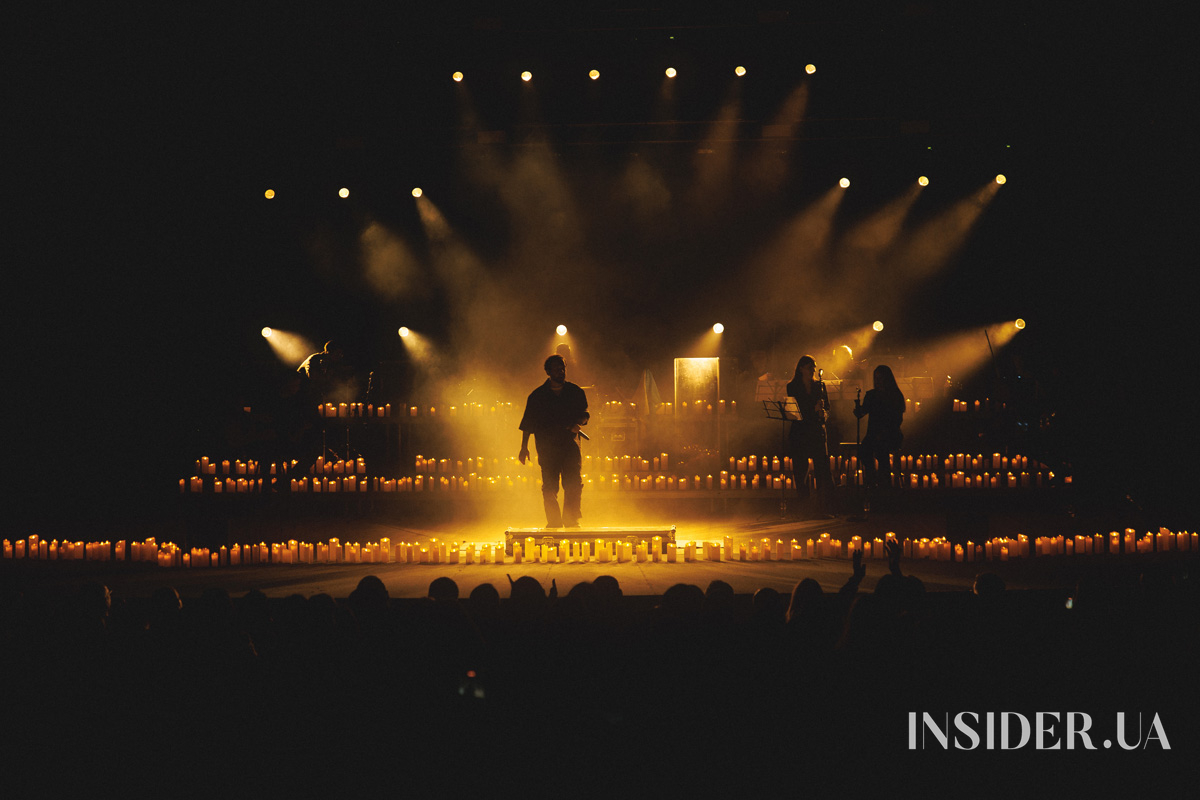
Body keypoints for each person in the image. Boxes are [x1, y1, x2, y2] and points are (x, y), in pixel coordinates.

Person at [518, 354, 590, 528]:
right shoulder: (537, 396)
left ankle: (571, 519)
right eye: (557, 369)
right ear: (548, 371)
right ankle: (553, 521)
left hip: (570, 445)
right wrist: (523, 447)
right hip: (547, 447)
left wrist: (577, 423)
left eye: (563, 368)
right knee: (550, 487)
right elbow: (528, 423)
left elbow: (585, 415)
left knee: (573, 483)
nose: (561, 371)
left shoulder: (575, 392)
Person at [786, 354, 834, 517]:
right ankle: (803, 507)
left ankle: (823, 507)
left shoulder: (819, 386)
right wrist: (812, 409)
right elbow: (794, 411)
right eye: (809, 367)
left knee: (822, 469)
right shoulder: (792, 387)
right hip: (800, 431)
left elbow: (827, 406)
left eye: (814, 367)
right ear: (801, 369)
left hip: (816, 430)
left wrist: (823, 414)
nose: (813, 370)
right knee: (801, 470)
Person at [853, 364, 905, 491]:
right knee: (864, 451)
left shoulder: (895, 395)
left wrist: (885, 431)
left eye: (881, 378)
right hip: (873, 434)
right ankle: (872, 478)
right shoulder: (871, 395)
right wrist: (858, 408)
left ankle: (883, 484)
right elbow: (862, 413)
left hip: (890, 433)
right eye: (876, 378)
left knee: (882, 450)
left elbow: (898, 418)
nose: (878, 381)